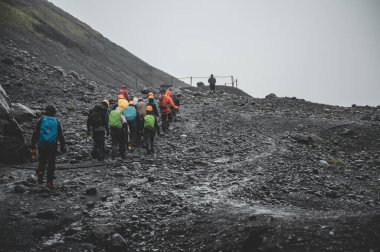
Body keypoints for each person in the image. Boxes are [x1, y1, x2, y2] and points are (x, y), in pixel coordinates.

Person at [31, 105, 66, 189]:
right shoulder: (56, 121)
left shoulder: (42, 120)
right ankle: (49, 182)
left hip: (42, 144)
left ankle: (40, 173)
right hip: (52, 145)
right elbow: (61, 135)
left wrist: (33, 144)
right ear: (54, 112)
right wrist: (62, 146)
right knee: (51, 163)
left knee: (42, 160)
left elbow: (35, 132)